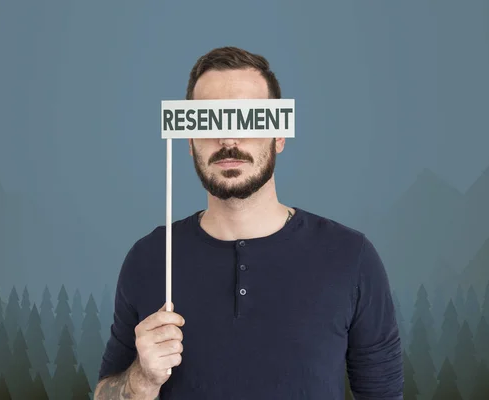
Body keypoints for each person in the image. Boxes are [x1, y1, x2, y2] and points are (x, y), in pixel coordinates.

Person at [94, 46, 403, 400]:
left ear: (279, 135)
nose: (228, 139)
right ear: (190, 139)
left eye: (247, 118)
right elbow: (104, 393)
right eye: (209, 120)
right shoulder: (149, 258)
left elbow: (384, 394)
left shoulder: (352, 257)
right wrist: (142, 380)